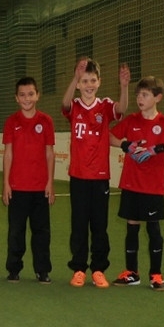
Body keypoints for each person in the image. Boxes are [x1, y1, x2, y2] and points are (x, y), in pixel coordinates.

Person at [61, 57, 130, 288]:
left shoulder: (105, 106)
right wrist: (74, 78)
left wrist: (124, 87)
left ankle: (98, 269)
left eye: (92, 80)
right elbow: (65, 103)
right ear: (78, 84)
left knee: (100, 226)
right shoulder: (75, 106)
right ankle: (79, 268)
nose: (88, 85)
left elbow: (121, 109)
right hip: (78, 177)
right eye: (84, 81)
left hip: (100, 178)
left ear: (99, 81)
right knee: (79, 225)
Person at [109, 76, 164, 291]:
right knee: (131, 228)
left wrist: (157, 149)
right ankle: (132, 273)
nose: (139, 99)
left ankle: (156, 275)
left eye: (145, 95)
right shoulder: (131, 120)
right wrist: (126, 145)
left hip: (152, 187)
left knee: (153, 230)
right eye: (138, 95)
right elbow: (109, 137)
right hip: (131, 184)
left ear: (157, 98)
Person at [1, 77, 55, 283]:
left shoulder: (46, 121)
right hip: (17, 187)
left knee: (42, 232)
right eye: (22, 95)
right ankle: (14, 269)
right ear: (16, 98)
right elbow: (8, 154)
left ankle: (42, 270)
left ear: (37, 95)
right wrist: (6, 184)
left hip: (40, 188)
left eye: (31, 94)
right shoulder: (11, 122)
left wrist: (50, 183)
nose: (27, 98)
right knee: (16, 231)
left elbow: (49, 154)